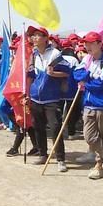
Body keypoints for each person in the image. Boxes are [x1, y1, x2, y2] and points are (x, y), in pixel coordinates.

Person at [73, 31, 103, 180]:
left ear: (100, 44)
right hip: (88, 103)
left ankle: (99, 166)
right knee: (89, 136)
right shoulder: (87, 59)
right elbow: (76, 74)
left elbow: (101, 84)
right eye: (86, 43)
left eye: (91, 43)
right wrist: (86, 78)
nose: (88, 46)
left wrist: (85, 82)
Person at [26, 26, 71, 172]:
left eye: (38, 35)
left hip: (51, 97)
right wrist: (27, 94)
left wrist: (53, 74)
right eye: (33, 36)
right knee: (38, 127)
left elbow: (67, 72)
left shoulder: (55, 54)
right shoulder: (33, 55)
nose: (35, 38)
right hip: (36, 97)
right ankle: (43, 154)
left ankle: (60, 159)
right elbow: (30, 76)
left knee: (55, 127)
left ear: (46, 38)